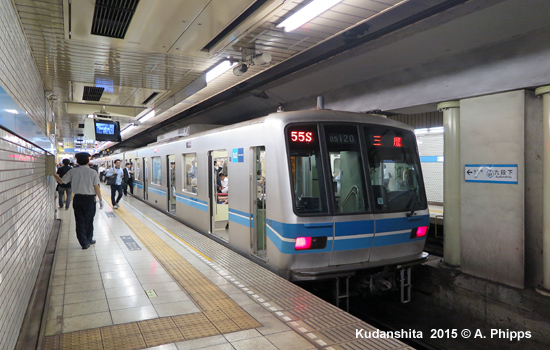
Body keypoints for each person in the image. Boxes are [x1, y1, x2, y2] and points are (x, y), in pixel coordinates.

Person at [53, 152, 103, 249]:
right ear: (88, 161)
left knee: (79, 220)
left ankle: (84, 242)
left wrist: (54, 174)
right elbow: (96, 187)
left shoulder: (72, 171)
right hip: (89, 199)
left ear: (77, 161)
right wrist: (100, 199)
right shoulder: (93, 172)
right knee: (89, 220)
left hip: (77, 199)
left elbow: (61, 181)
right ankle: (89, 239)